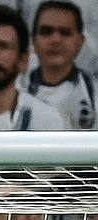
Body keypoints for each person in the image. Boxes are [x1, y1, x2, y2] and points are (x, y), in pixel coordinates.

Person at [23, 0, 97, 129]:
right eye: (46, 32)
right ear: (33, 40)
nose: (55, 40)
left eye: (65, 32)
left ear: (80, 41)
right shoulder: (14, 92)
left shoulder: (94, 96)